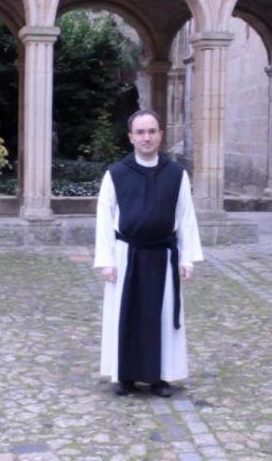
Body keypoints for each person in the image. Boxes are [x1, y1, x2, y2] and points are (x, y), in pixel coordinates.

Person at [93, 109, 203, 397]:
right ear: (130, 137)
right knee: (124, 315)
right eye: (140, 132)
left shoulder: (176, 174)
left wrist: (187, 257)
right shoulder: (115, 174)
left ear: (160, 135)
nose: (147, 137)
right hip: (125, 254)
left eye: (152, 131)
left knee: (163, 316)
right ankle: (124, 376)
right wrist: (105, 261)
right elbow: (105, 219)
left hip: (163, 255)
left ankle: (159, 377)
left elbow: (185, 217)